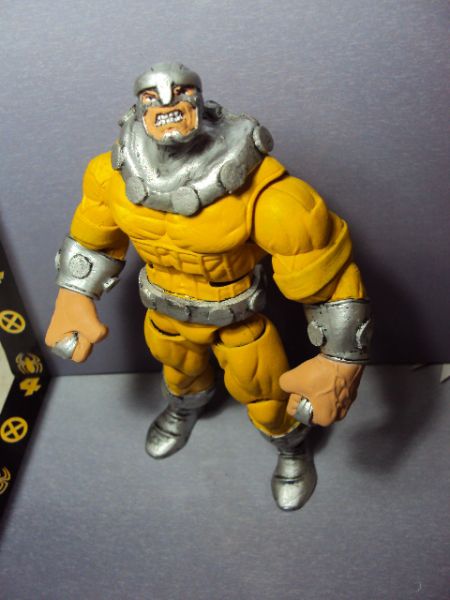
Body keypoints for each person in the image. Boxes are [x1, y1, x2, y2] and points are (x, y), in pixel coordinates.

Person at [46, 63, 372, 511]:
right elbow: (92, 240)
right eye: (151, 98)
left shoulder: (265, 192)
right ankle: (183, 409)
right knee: (178, 375)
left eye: (180, 92)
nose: (167, 104)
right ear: (137, 108)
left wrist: (339, 360)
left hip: (237, 321)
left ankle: (292, 449)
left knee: (266, 396)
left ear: (199, 101)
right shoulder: (110, 176)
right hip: (163, 313)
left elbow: (327, 277)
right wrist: (73, 294)